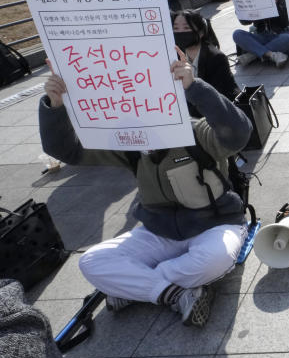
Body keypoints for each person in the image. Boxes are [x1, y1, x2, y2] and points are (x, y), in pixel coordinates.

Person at [38, 51, 252, 327]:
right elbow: (66, 150)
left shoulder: (197, 132)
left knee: (215, 258)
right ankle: (173, 293)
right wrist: (55, 104)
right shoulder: (129, 143)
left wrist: (194, 86)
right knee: (91, 262)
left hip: (215, 225)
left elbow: (239, 132)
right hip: (157, 231)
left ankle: (136, 286)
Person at [172, 9, 239, 114]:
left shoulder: (216, 58)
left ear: (201, 32)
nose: (180, 32)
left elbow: (216, 98)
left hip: (222, 113)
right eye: (175, 28)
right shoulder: (176, 55)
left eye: (186, 28)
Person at [231, 0, 289, 67]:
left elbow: (286, 21)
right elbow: (244, 22)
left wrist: (276, 2)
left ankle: (252, 55)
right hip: (262, 36)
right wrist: (237, 3)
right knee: (237, 34)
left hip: (279, 35)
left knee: (287, 38)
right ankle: (270, 54)